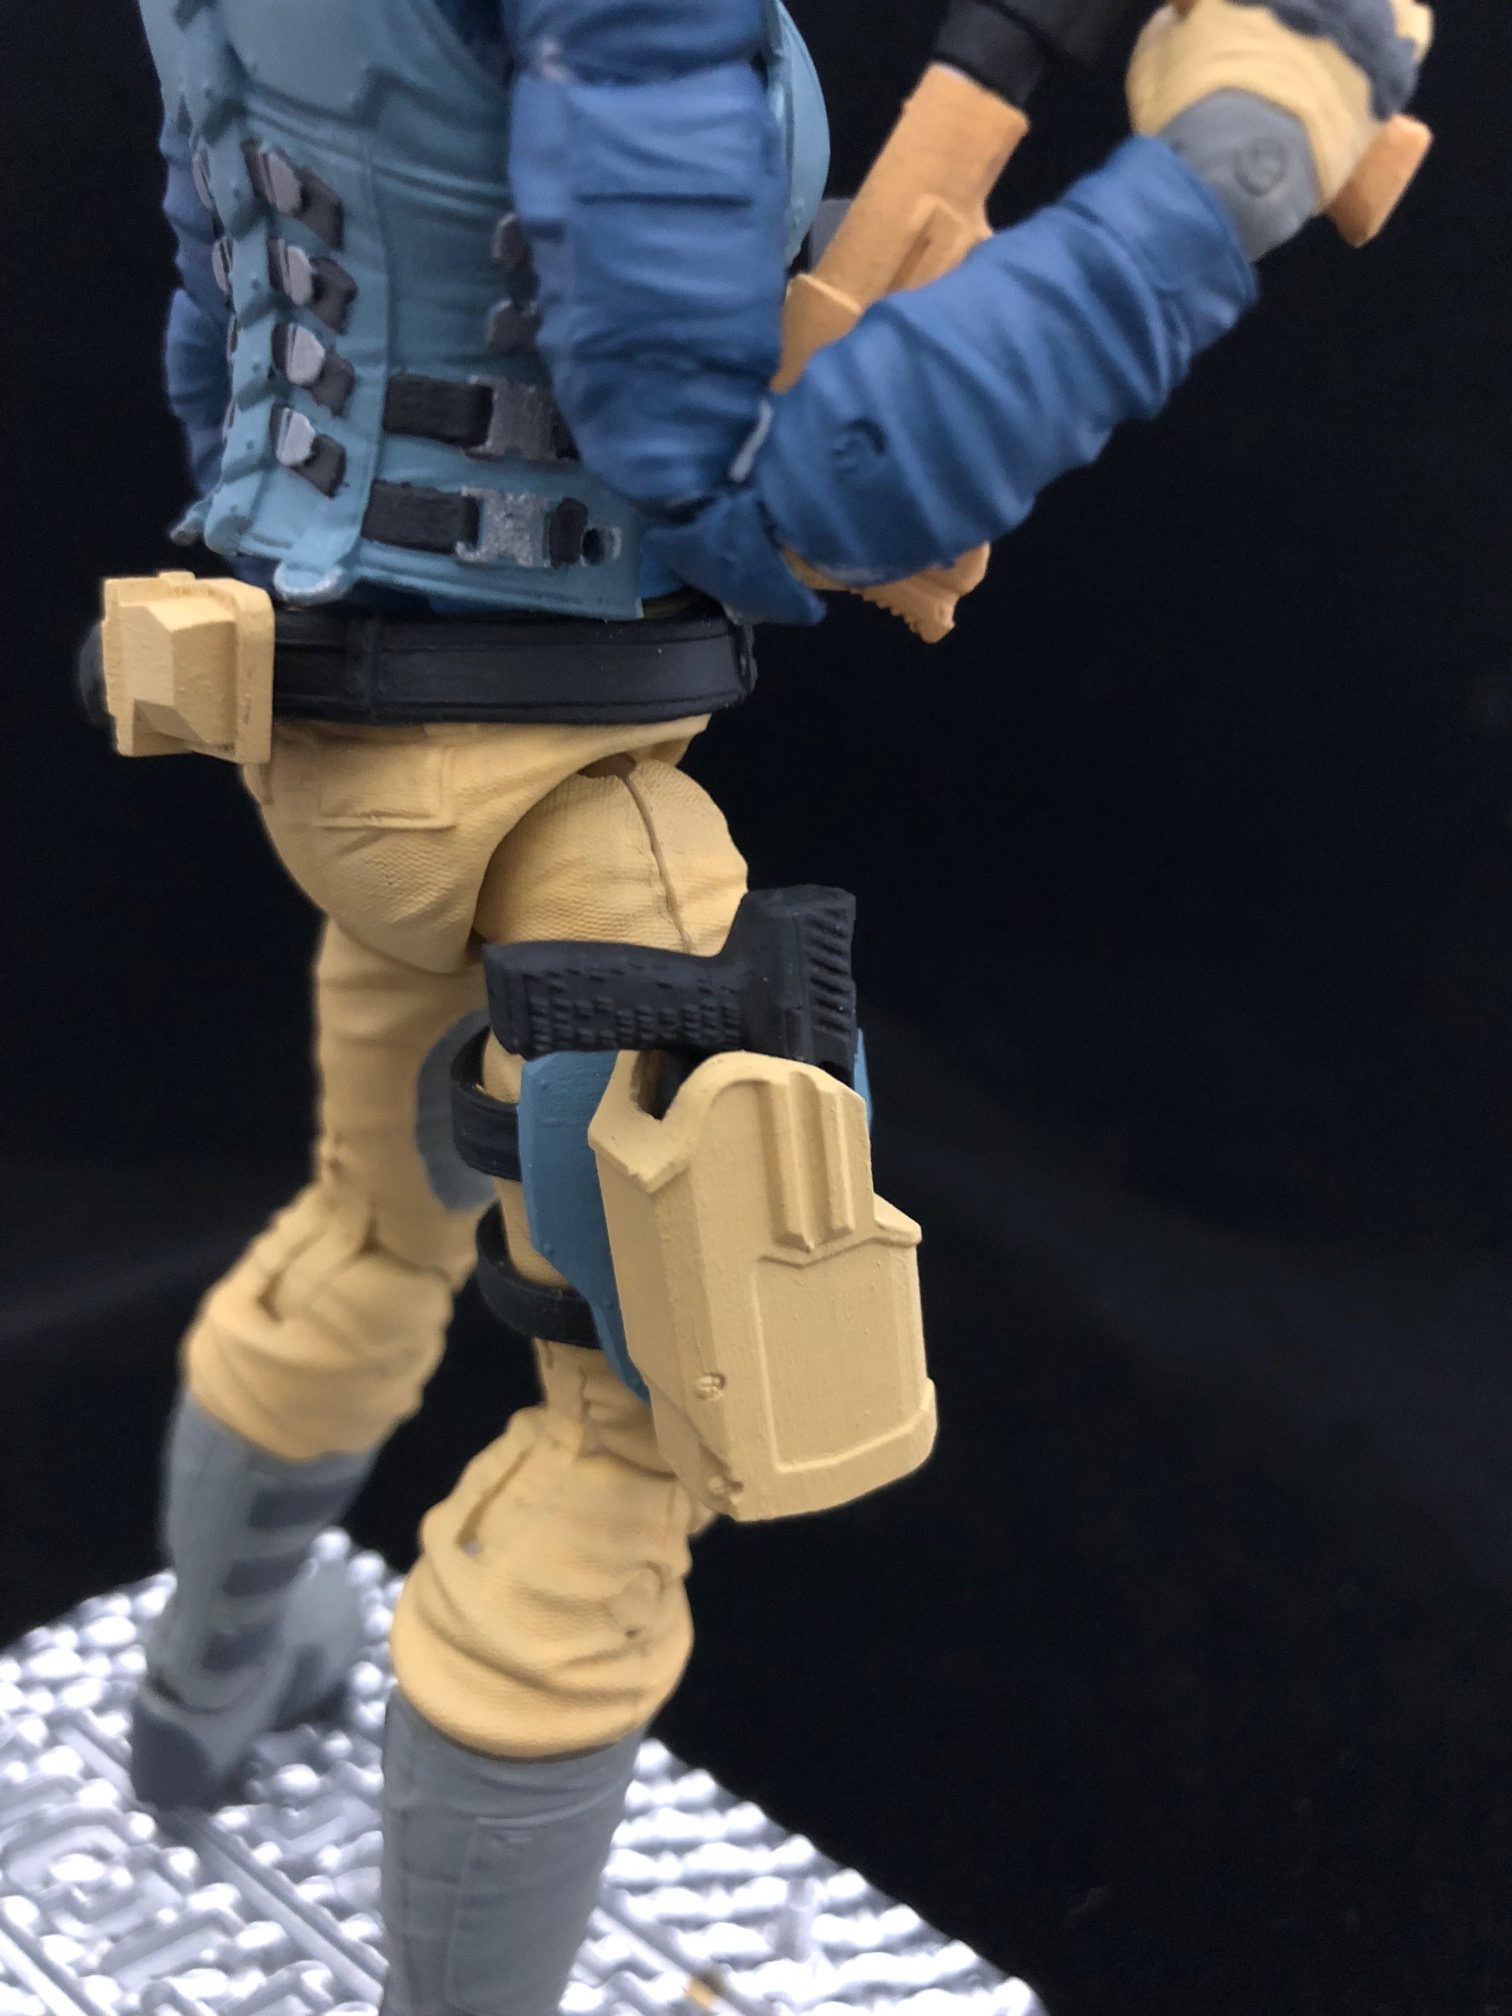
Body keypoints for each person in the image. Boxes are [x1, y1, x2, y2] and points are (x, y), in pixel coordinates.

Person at [111, 3, 1430, 2013]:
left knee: (369, 1230)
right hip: (567, 816)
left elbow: (227, 332)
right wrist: (1236, 166)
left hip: (319, 734)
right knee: (641, 1441)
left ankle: (199, 1705)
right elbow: (806, 487)